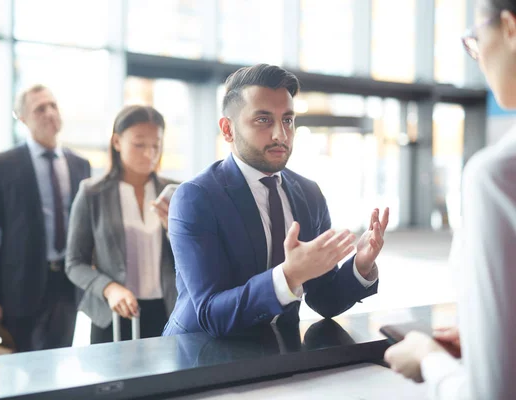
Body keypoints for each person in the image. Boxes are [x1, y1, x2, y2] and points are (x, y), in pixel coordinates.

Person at [163, 64, 389, 338]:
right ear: (227, 129)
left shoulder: (309, 194)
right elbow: (211, 313)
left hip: (279, 352)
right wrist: (288, 276)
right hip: (200, 355)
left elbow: (325, 299)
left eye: (287, 120)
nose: (281, 135)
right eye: (263, 120)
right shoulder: (196, 197)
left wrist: (360, 266)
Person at [384, 1, 516, 398]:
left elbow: (491, 393)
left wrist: (427, 357)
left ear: (509, 28)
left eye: (474, 38)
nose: (477, 56)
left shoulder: (496, 176)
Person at [0, 84, 91, 352]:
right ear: (22, 118)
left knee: (58, 363)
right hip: (18, 288)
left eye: (53, 106)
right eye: (40, 108)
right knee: (20, 372)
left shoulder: (79, 164)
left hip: (66, 285)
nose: (49, 113)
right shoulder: (1, 164)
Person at [66, 105, 177, 343]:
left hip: (168, 310)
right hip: (113, 313)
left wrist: (174, 231)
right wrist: (109, 288)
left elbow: (196, 257)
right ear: (117, 142)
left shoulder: (175, 192)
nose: (149, 153)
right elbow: (74, 263)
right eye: (139, 144)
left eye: (156, 145)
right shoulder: (92, 193)